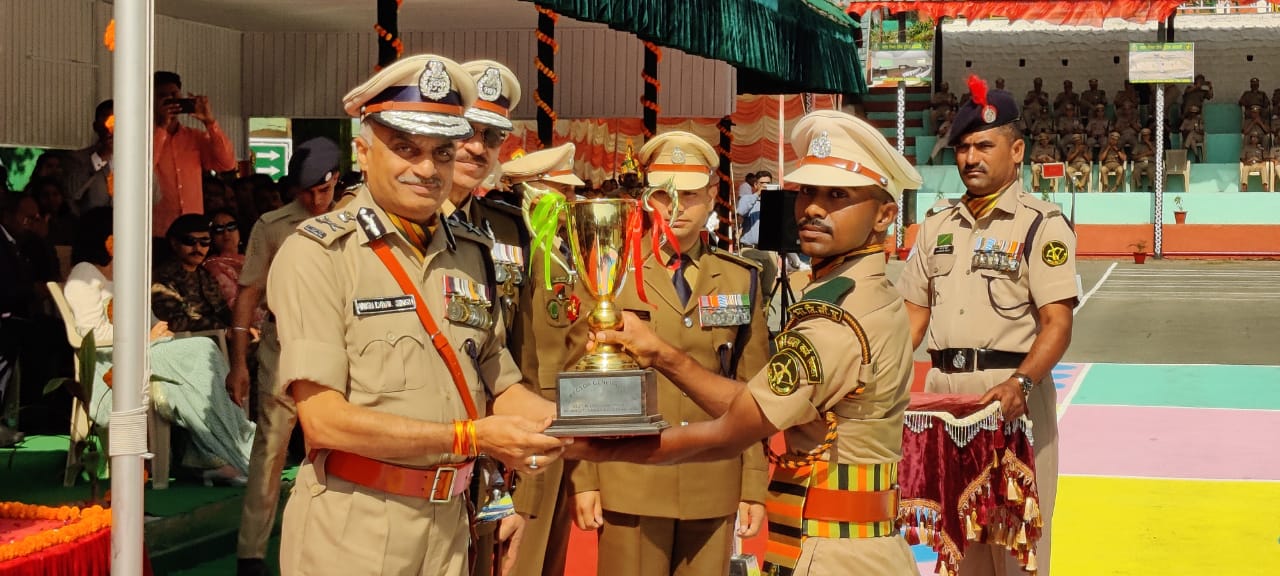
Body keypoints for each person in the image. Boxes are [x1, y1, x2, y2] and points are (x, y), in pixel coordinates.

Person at [567, 110, 923, 575]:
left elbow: (743, 409)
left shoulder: (821, 311)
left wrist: (606, 447)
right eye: (808, 192)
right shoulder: (610, 272)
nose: (813, 207)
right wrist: (591, 473)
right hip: (640, 487)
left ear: (884, 215)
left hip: (793, 521)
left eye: (837, 195)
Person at [269, 54, 568, 576]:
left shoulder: (471, 253)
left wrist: (576, 424)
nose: (427, 168)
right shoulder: (319, 253)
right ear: (363, 152)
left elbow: (501, 380)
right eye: (405, 148)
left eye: (442, 151)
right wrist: (472, 438)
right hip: (354, 525)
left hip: (453, 523)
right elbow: (323, 422)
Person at [567, 132, 769, 576]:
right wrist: (585, 477)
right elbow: (582, 385)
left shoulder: (740, 278)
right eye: (664, 195)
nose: (676, 208)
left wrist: (753, 483)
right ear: (645, 197)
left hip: (712, 476)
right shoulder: (610, 268)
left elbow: (755, 392)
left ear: (714, 195)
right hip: (631, 477)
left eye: (691, 195)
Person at [898, 76, 1077, 576]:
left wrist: (1022, 381)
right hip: (947, 405)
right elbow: (913, 317)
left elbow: (1056, 323)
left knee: (1019, 552)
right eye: (963, 147)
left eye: (984, 145)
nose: (971, 157)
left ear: (1016, 150)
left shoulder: (1040, 224)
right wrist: (878, 377)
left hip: (1013, 403)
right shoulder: (936, 225)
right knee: (960, 549)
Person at [64, 208, 252, 484]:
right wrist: (145, 337)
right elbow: (90, 333)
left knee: (202, 350)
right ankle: (227, 451)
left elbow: (151, 321)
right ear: (107, 238)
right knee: (201, 349)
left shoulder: (125, 273)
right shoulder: (85, 273)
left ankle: (215, 454)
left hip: (145, 353)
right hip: (112, 364)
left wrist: (155, 331)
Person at [230, 136, 340, 576]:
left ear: (337, 181)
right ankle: (251, 555)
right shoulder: (273, 225)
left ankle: (328, 549)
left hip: (342, 347)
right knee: (270, 450)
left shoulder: (358, 219)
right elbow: (247, 295)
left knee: (336, 449)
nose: (315, 199)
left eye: (324, 190)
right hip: (283, 344)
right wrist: (239, 362)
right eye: (307, 191)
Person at [446, 58, 530, 576]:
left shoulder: (509, 228)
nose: (478, 146)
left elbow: (522, 354)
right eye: (467, 131)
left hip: (490, 462)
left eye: (492, 135)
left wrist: (514, 487)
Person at [499, 144, 591, 576]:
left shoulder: (558, 249)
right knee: (526, 549)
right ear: (532, 194)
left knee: (552, 548)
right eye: (561, 193)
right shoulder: (524, 252)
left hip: (566, 407)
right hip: (533, 408)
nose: (571, 203)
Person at [152, 70, 236, 236]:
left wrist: (209, 122)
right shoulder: (142, 137)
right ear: (151, 100)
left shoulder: (194, 137)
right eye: (163, 96)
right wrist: (162, 127)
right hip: (158, 231)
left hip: (194, 230)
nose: (171, 101)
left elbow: (226, 163)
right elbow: (142, 169)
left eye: (174, 95)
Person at [0, 194, 43, 446]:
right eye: (27, 217)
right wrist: (34, 290)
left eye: (36, 218)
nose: (31, 223)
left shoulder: (18, 242)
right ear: (7, 216)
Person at [152, 214, 232, 332]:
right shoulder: (162, 278)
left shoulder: (205, 275)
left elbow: (223, 311)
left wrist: (240, 328)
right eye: (190, 241)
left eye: (204, 242)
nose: (197, 248)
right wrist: (224, 330)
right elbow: (175, 323)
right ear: (174, 243)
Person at [64, 99, 115, 215]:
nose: (111, 126)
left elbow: (155, 195)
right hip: (90, 229)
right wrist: (100, 157)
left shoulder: (134, 160)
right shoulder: (77, 158)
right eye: (106, 120)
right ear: (96, 126)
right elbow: (71, 192)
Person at [735, 172, 762, 248]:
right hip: (746, 207)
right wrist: (757, 194)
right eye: (762, 183)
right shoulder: (745, 186)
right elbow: (742, 209)